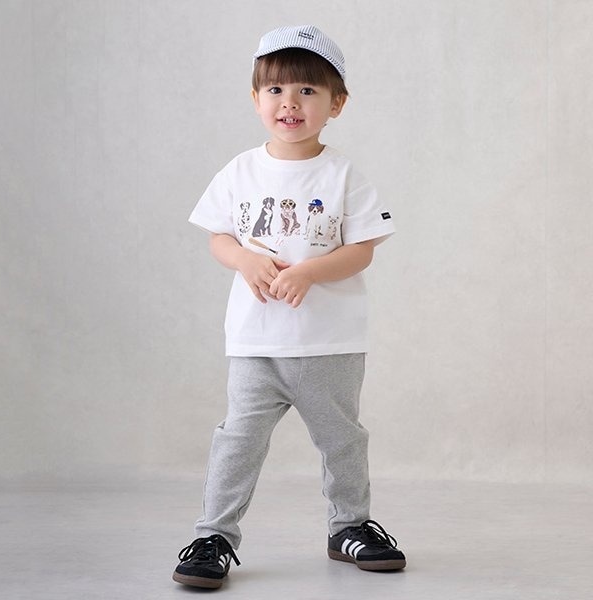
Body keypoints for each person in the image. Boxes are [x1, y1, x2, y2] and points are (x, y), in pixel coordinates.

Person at [173, 25, 406, 590]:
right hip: (256, 343)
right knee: (238, 440)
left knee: (342, 439)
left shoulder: (343, 174)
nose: (290, 103)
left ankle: (349, 526)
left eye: (307, 91)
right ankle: (214, 536)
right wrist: (243, 260)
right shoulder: (240, 171)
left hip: (329, 343)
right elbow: (219, 237)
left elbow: (362, 249)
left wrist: (308, 272)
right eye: (276, 90)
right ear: (256, 99)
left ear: (336, 104)